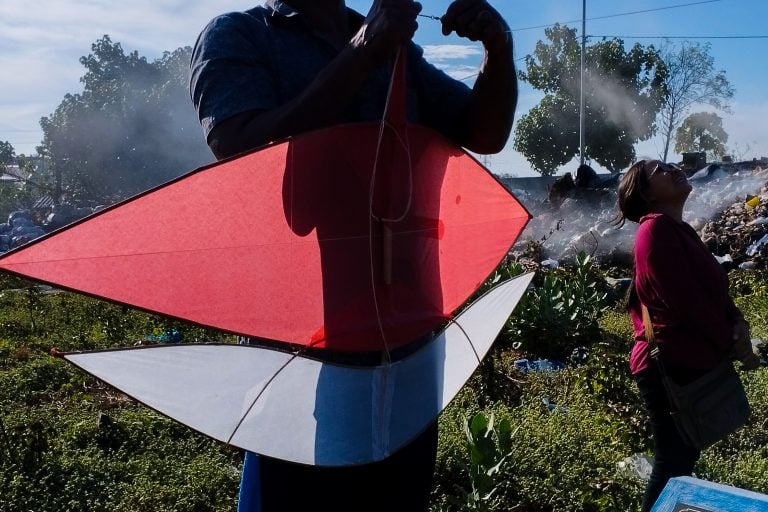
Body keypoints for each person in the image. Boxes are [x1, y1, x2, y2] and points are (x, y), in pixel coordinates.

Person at [189, 1, 517, 510]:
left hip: (407, 339)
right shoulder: (243, 34)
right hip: (302, 346)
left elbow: (485, 132)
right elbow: (240, 148)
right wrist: (364, 50)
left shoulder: (394, 44)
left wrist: (499, 48)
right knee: (293, 495)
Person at [614, 159, 760, 511]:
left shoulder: (680, 230)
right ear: (646, 194)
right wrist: (732, 343)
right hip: (667, 366)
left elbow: (716, 291)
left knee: (682, 456)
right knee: (672, 460)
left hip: (688, 359)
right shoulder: (655, 230)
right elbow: (686, 303)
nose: (673, 168)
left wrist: (738, 323)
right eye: (659, 170)